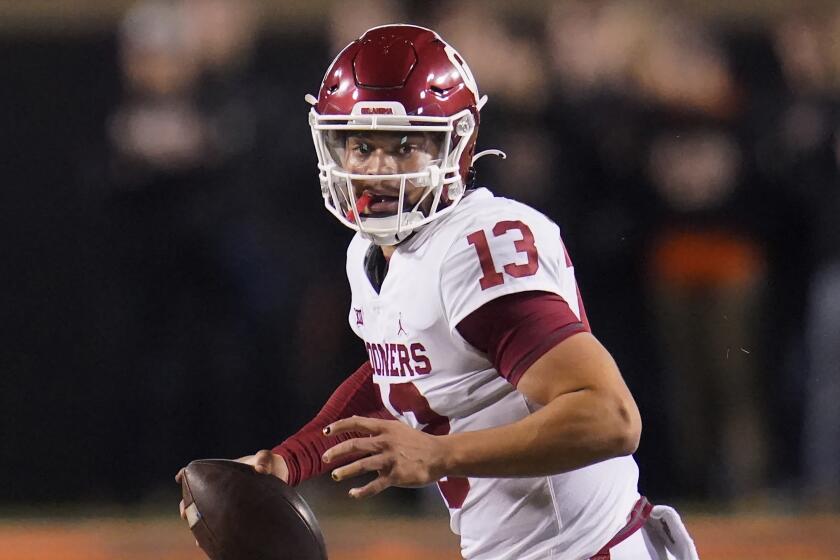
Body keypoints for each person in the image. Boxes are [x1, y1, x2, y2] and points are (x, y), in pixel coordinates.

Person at [178, 25, 700, 560]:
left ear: (458, 144)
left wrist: (439, 454)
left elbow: (610, 416)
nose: (377, 170)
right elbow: (407, 374)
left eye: (404, 146)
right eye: (361, 145)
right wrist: (289, 460)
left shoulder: (478, 245)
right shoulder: (372, 252)